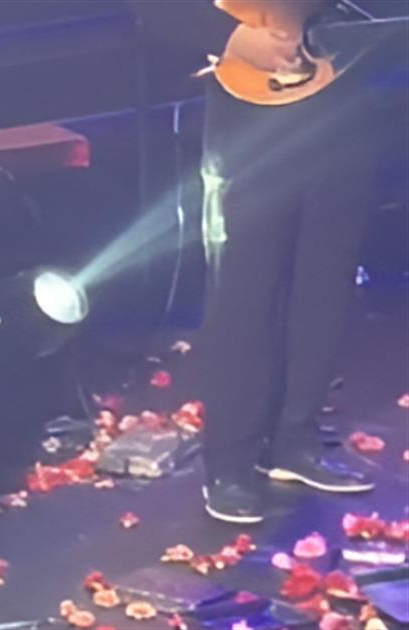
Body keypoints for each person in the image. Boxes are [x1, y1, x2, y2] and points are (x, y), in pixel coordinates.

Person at [131, 1, 386, 524]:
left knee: (325, 279)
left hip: (340, 98)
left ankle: (294, 439)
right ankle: (230, 462)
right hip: (250, 107)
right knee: (247, 289)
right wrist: (230, 37)